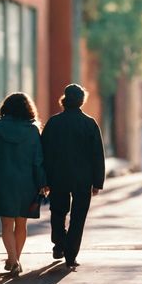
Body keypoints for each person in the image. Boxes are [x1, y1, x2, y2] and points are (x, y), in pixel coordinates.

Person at [0, 92, 47, 276]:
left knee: (6, 225)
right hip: (27, 183)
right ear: (28, 109)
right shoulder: (33, 130)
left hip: (3, 181)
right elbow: (38, 160)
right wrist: (42, 182)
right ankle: (15, 259)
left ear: (6, 108)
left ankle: (13, 260)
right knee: (21, 225)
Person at [41, 84, 105, 269]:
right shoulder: (89, 123)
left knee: (58, 211)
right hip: (83, 179)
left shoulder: (54, 123)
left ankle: (59, 243)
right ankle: (71, 255)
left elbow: (44, 152)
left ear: (64, 99)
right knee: (78, 216)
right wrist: (97, 182)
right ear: (81, 100)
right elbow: (97, 155)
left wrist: (44, 180)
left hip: (58, 176)